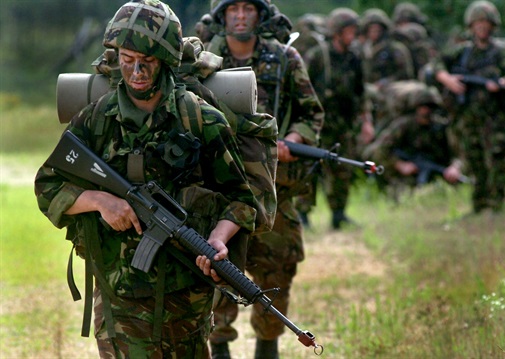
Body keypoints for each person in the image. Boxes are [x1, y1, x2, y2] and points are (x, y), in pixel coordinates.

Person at [34, 1, 258, 357]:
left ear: (166, 60)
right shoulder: (95, 120)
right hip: (117, 293)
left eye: (148, 61)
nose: (136, 71)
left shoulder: (202, 121)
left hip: (187, 294)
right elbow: (48, 185)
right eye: (126, 58)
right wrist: (101, 202)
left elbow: (242, 200)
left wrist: (218, 238)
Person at [204, 1, 324, 357]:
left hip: (274, 193)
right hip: (217, 191)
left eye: (248, 7)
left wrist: (294, 141)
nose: (241, 15)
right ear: (222, 15)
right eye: (233, 8)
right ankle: (219, 345)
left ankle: (267, 345)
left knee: (277, 273)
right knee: (214, 273)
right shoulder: (201, 60)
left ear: (260, 14)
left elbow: (311, 113)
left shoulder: (286, 58)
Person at [432, 0, 505, 213]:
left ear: (493, 25)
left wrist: (501, 84)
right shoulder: (463, 52)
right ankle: (478, 206)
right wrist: (447, 80)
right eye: (478, 23)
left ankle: (496, 206)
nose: (482, 27)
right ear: (471, 26)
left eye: (486, 23)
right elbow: (436, 64)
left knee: (497, 161)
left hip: (496, 117)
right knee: (474, 160)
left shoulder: (502, 51)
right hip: (468, 116)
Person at [303, 8, 374, 229]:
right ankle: (303, 214)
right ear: (337, 32)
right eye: (348, 31)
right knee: (311, 168)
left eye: (354, 30)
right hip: (318, 123)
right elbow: (302, 88)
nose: (352, 35)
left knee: (343, 169)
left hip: (345, 123)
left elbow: (361, 92)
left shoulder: (354, 57)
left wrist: (366, 121)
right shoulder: (318, 56)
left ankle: (339, 214)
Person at [364, 81, 464, 196]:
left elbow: (459, 153)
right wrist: (399, 164)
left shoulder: (441, 127)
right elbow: (378, 150)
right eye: (423, 107)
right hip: (405, 174)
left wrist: (455, 167)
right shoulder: (403, 125)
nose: (426, 111)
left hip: (436, 169)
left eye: (430, 107)